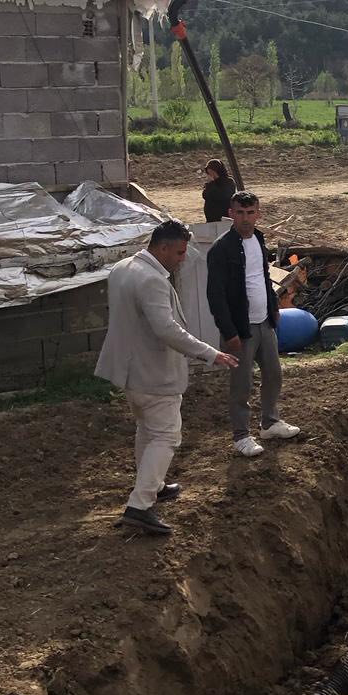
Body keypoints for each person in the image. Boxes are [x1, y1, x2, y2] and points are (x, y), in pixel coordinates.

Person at [95, 220, 239, 535]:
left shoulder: (122, 268)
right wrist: (210, 353)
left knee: (147, 430)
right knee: (167, 436)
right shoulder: (151, 280)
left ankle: (153, 485)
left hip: (130, 370)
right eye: (179, 252)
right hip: (153, 372)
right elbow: (166, 329)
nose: (182, 258)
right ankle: (141, 505)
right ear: (162, 247)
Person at [206, 190, 301, 457]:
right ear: (230, 213)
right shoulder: (221, 249)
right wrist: (229, 331)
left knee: (274, 374)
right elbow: (216, 295)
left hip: (264, 322)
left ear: (258, 214)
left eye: (251, 213)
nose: (246, 219)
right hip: (240, 329)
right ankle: (241, 436)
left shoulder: (258, 239)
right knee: (241, 384)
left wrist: (273, 309)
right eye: (240, 213)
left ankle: (269, 422)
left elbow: (263, 277)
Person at [201, 159, 236, 223]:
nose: (211, 174)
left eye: (212, 172)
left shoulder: (229, 182)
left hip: (224, 217)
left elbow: (221, 195)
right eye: (209, 172)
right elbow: (205, 195)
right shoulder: (210, 183)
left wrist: (212, 183)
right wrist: (210, 184)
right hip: (211, 219)